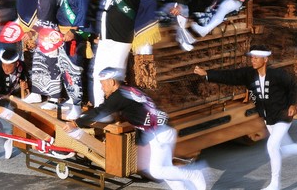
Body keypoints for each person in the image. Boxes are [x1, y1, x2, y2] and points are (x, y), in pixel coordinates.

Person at [194, 45, 297, 190]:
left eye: (256, 58)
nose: (252, 60)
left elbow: (292, 85)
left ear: (265, 60)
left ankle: (275, 184)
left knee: (272, 146)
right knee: (282, 149)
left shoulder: (277, 74)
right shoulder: (249, 75)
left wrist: (292, 104)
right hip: (268, 118)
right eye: (252, 58)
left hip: (283, 115)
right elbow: (230, 76)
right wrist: (207, 74)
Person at [65, 67, 206, 190]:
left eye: (103, 84)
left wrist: (76, 123)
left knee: (157, 171)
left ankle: (193, 174)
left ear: (112, 82)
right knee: (165, 169)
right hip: (159, 129)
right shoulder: (128, 89)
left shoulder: (119, 96)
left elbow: (100, 111)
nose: (102, 88)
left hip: (159, 131)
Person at [84, 0, 139, 106]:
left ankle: (115, 109)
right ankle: (99, 107)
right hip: (106, 39)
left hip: (120, 41)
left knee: (115, 78)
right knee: (97, 73)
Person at [22, 0, 61, 107]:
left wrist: (33, 30)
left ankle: (54, 97)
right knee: (39, 61)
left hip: (50, 30)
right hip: (44, 29)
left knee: (51, 63)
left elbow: (47, 13)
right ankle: (37, 92)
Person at [56, 0, 89, 118]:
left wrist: (73, 31)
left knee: (74, 68)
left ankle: (77, 104)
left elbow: (82, 13)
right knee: (64, 67)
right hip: (63, 33)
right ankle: (71, 98)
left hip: (74, 35)